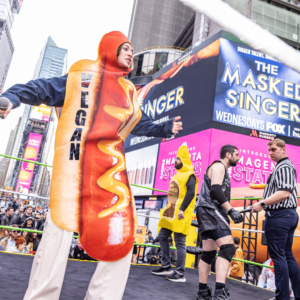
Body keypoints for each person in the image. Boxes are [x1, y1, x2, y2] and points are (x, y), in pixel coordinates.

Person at [0, 31, 183, 300]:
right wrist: (12, 98)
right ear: (109, 50)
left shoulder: (129, 92)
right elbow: (43, 88)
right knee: (58, 234)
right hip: (74, 171)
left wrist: (165, 128)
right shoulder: (82, 77)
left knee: (122, 238)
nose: (131, 53)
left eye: (132, 49)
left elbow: (136, 123)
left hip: (109, 177)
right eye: (125, 48)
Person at [251, 139, 300, 300]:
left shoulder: (284, 166)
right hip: (287, 215)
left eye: (274, 149)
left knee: (278, 257)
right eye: (269, 150)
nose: (271, 153)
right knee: (286, 255)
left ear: (283, 150)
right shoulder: (283, 166)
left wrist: (262, 203)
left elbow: (285, 192)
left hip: (280, 215)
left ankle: (282, 297)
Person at [195, 144, 243, 300]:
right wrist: (230, 210)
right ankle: (220, 292)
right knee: (228, 248)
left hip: (207, 210)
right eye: (236, 154)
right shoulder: (219, 166)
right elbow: (215, 189)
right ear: (228, 155)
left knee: (208, 253)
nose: (238, 157)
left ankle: (203, 292)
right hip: (211, 209)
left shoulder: (222, 169)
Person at [152, 143, 198, 282]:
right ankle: (166, 266)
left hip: (180, 213)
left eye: (177, 158)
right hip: (170, 211)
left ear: (183, 160)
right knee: (162, 236)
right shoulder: (179, 174)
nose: (175, 161)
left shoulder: (190, 175)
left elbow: (191, 193)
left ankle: (180, 273)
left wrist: (182, 209)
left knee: (179, 242)